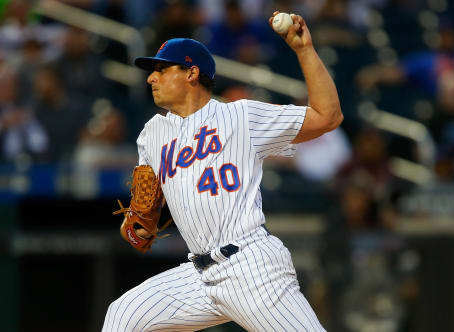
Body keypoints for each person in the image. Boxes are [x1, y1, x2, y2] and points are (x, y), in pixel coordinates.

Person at [102, 11, 342, 332]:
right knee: (122, 316)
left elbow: (328, 116)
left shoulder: (240, 116)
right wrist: (140, 223)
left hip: (251, 268)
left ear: (191, 73)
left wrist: (304, 50)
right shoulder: (152, 133)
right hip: (198, 275)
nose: (151, 78)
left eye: (161, 69)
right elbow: (144, 214)